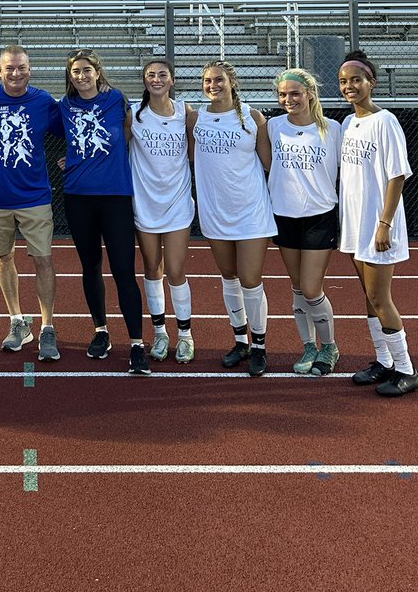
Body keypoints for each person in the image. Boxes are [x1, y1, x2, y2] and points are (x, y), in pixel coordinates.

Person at [58, 50, 150, 376]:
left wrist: (108, 158)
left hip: (115, 196)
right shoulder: (64, 107)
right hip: (78, 196)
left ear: (97, 72)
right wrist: (72, 158)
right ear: (69, 77)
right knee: (91, 266)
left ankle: (137, 343)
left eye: (86, 71)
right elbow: (59, 135)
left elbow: (128, 130)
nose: (81, 77)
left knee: (124, 270)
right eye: (75, 72)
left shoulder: (116, 100)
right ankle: (100, 331)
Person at [0, 45, 63, 362]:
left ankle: (47, 326)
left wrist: (71, 158)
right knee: (4, 258)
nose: (16, 73)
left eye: (21, 67)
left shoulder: (42, 101)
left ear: (30, 69)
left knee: (43, 260)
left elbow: (69, 133)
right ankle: (17, 321)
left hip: (35, 196)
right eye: (10, 68)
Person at [338, 51, 418, 396]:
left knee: (379, 296)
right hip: (355, 222)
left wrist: (384, 223)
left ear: (371, 82)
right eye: (343, 81)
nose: (349, 86)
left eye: (356, 79)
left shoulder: (385, 121)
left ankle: (406, 369)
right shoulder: (346, 123)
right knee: (368, 297)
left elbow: (397, 176)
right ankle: (383, 362)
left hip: (377, 224)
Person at [193, 60, 276, 376]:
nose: (212, 85)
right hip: (215, 211)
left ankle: (259, 347)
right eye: (207, 80)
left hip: (251, 210)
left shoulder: (253, 117)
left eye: (218, 80)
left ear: (232, 83)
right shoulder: (195, 118)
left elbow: (269, 163)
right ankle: (240, 340)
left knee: (250, 279)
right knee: (229, 277)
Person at [263, 68, 342, 376]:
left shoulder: (332, 128)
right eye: (282, 95)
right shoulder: (272, 126)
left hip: (319, 215)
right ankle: (308, 346)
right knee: (297, 287)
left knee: (311, 288)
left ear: (310, 93)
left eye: (294, 94)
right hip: (284, 213)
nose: (288, 100)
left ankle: (329, 346)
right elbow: (268, 163)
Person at [129, 58, 195, 364]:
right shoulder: (134, 115)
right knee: (152, 268)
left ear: (172, 80)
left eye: (162, 75)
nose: (156, 79)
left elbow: (197, 155)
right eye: (151, 75)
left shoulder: (186, 113)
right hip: (146, 203)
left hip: (178, 202)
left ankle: (185, 335)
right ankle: (159, 333)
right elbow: (113, 147)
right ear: (144, 81)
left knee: (176, 270)